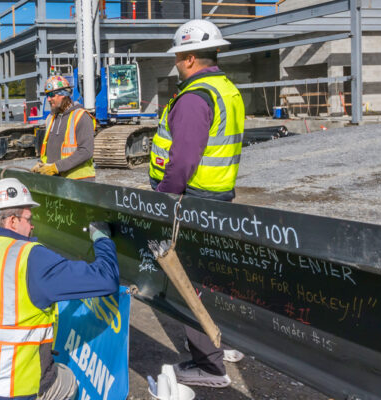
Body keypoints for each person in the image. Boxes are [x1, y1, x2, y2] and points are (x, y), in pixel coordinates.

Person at [0, 177, 119, 400]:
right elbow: (106, 278)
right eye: (28, 219)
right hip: (11, 391)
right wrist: (102, 239)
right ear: (12, 221)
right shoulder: (30, 257)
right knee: (68, 380)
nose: (32, 226)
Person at [148, 19, 245, 388]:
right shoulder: (225, 89)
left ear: (189, 58)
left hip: (191, 200)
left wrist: (165, 197)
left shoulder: (194, 97)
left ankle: (209, 366)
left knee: (188, 283)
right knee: (212, 277)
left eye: (177, 57)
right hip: (218, 196)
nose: (175, 63)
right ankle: (222, 342)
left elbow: (184, 159)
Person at [31, 75, 96, 180]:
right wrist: (42, 164)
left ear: (64, 94)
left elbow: (86, 151)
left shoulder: (81, 116)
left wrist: (57, 167)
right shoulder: (51, 118)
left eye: (52, 94)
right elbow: (49, 149)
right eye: (47, 95)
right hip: (57, 180)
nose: (48, 99)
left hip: (79, 181)